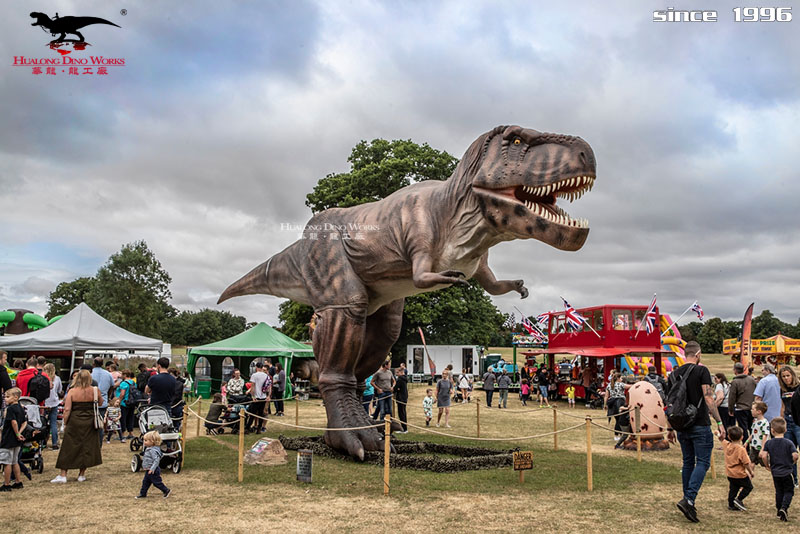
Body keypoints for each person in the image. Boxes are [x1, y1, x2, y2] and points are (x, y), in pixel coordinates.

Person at [666, 341, 726, 523]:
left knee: (688, 462)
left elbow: (669, 403)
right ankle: (689, 498)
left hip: (681, 424)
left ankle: (688, 502)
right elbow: (708, 399)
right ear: (698, 353)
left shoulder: (674, 373)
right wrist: (719, 422)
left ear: (685, 354)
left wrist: (670, 428)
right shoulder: (702, 371)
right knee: (703, 462)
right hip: (699, 422)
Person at [52, 370, 103, 483]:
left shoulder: (72, 391)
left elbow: (67, 409)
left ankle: (63, 474)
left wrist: (64, 423)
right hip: (90, 421)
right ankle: (81, 474)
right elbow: (100, 403)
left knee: (68, 447)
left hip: (74, 420)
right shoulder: (95, 390)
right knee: (86, 446)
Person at [760, 417, 799, 521]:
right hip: (787, 471)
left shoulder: (769, 443)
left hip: (775, 472)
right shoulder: (789, 443)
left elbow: (763, 456)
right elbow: (795, 455)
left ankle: (779, 510)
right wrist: (792, 463)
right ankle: (784, 507)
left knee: (779, 491)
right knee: (789, 491)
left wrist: (767, 465)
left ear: (772, 431)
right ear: (785, 430)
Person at [0, 387, 27, 492]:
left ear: (16, 397)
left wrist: (16, 433)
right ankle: (18, 481)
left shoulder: (10, 409)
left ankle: (6, 484)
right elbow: (24, 422)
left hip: (8, 439)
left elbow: (13, 422)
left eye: (7, 397)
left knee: (7, 463)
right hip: (17, 440)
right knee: (15, 461)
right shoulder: (20, 408)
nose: (5, 399)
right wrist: (20, 433)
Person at [723, 425, 754, 511]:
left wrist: (718, 434)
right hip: (740, 474)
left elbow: (722, 440)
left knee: (733, 488)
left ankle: (731, 504)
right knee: (748, 487)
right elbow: (746, 463)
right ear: (742, 437)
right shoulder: (741, 449)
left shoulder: (727, 445)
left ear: (729, 437)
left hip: (730, 474)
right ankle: (739, 500)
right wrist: (751, 472)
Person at [135, 430, 171, 499]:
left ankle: (166, 490)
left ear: (152, 442)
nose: (144, 442)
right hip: (148, 469)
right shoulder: (149, 449)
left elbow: (156, 460)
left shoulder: (153, 451)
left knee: (156, 482)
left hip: (153, 470)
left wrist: (152, 468)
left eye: (146, 440)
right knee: (145, 482)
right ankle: (143, 493)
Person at [729, 362, 756, 441]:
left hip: (741, 408)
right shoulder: (751, 379)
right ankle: (754, 445)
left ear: (735, 371)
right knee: (753, 428)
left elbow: (732, 397)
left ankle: (746, 447)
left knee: (743, 429)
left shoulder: (735, 382)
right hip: (752, 407)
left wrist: (731, 409)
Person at [91, 358, 113, 448]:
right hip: (103, 401)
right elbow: (112, 386)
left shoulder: (90, 374)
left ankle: (92, 443)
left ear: (93, 363)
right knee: (100, 424)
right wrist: (108, 396)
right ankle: (99, 444)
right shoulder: (108, 374)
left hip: (92, 401)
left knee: (91, 423)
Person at [42, 363, 62, 450]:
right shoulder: (57, 379)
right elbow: (59, 390)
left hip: (44, 403)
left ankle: (43, 442)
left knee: (43, 423)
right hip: (54, 402)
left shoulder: (42, 378)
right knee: (53, 424)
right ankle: (54, 443)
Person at [746, 401, 771, 466]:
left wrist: (762, 449)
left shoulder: (765, 423)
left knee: (766, 465)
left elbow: (764, 436)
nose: (751, 410)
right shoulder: (755, 421)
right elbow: (753, 433)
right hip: (754, 447)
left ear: (759, 412)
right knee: (751, 462)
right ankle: (750, 475)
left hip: (761, 449)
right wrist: (747, 442)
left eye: (753, 409)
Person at [248, 362, 269, 433]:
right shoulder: (266, 375)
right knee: (260, 414)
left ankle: (248, 427)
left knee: (252, 413)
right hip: (263, 397)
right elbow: (268, 386)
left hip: (256, 397)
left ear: (256, 367)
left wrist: (253, 396)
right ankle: (259, 428)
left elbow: (252, 386)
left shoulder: (254, 375)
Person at [605, 372, 626, 440]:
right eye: (621, 378)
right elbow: (629, 386)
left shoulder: (609, 385)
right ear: (618, 378)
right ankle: (617, 434)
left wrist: (605, 405)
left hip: (612, 404)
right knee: (620, 419)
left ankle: (618, 434)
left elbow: (606, 396)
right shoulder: (621, 384)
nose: (622, 379)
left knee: (617, 419)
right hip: (620, 403)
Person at [117, 370, 137, 442]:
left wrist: (118, 400)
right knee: (130, 418)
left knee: (123, 418)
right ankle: (131, 432)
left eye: (122, 374)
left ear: (125, 375)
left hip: (124, 403)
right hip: (132, 403)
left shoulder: (124, 383)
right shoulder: (133, 382)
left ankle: (122, 434)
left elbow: (122, 393)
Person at [393, 366, 408, 433]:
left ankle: (404, 429)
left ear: (401, 372)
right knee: (403, 413)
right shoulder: (404, 379)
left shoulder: (400, 379)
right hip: (404, 397)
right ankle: (404, 428)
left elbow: (395, 388)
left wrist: (394, 389)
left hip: (401, 398)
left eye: (397, 372)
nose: (396, 373)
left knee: (401, 413)